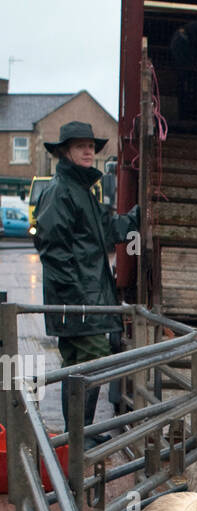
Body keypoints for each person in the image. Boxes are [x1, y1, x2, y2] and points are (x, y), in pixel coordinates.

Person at [34, 121, 140, 439]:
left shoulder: (81, 191)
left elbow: (109, 231)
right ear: (65, 151)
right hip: (80, 301)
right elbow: (53, 250)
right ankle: (80, 435)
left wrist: (138, 213)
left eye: (91, 146)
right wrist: (78, 298)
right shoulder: (61, 192)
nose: (88, 151)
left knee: (81, 364)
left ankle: (78, 434)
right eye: (80, 146)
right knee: (90, 362)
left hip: (86, 299)